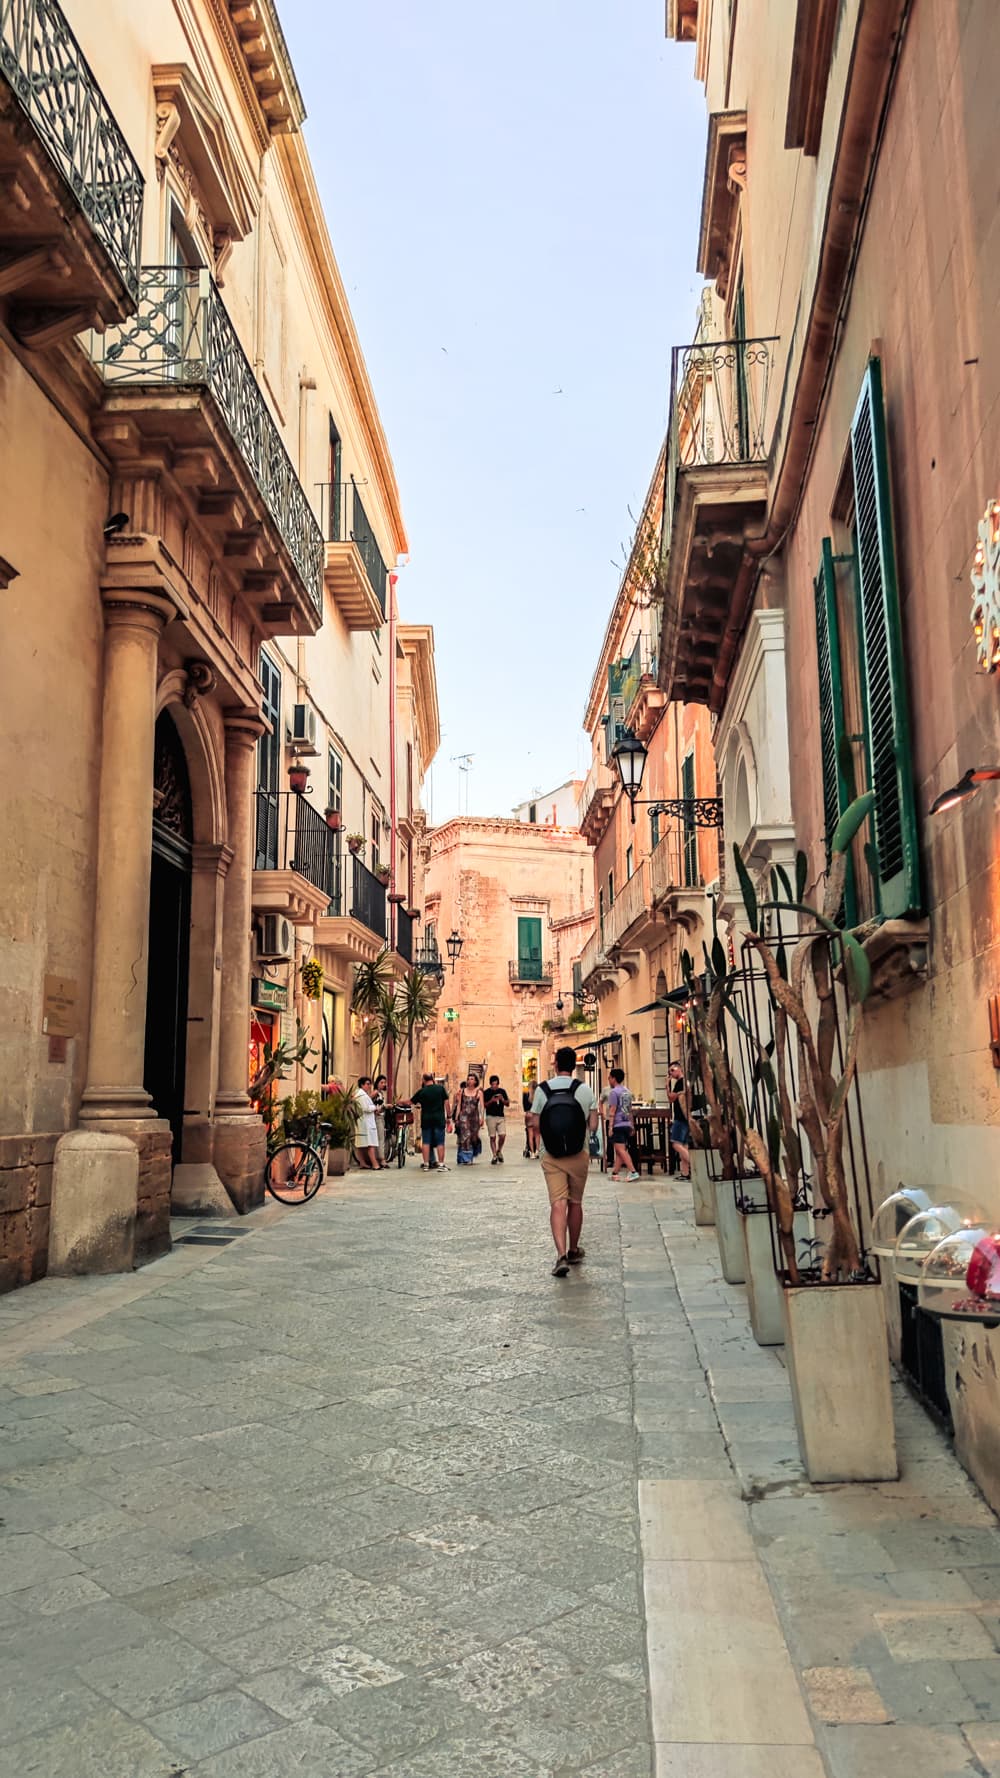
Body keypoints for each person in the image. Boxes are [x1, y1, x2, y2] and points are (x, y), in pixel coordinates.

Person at [529, 1045, 599, 1278]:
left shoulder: (542, 1090)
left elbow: (535, 1124)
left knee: (558, 1203)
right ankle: (573, 1250)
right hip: (579, 1154)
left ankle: (560, 1255)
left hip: (551, 1155)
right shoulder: (585, 1090)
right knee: (575, 1203)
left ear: (556, 1065)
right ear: (573, 1065)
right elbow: (593, 1125)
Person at [410, 1072, 451, 1171]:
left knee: (426, 1142)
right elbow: (446, 1103)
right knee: (440, 1143)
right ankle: (441, 1164)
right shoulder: (440, 1089)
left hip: (426, 1119)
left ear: (423, 1080)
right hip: (439, 1119)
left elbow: (410, 1102)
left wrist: (399, 1102)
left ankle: (426, 1164)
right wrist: (449, 1117)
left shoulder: (422, 1091)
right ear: (432, 1079)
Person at [605, 1067, 639, 1182]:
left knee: (620, 1150)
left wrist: (610, 1127)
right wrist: (632, 1125)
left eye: (609, 1078)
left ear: (614, 1079)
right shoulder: (627, 1092)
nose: (609, 1080)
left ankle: (633, 1171)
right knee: (621, 1149)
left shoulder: (614, 1092)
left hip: (618, 1124)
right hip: (627, 1123)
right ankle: (615, 1172)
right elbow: (630, 1110)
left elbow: (612, 1111)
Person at [667, 1060, 691, 1180]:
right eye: (669, 1071)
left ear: (679, 1069)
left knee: (676, 1144)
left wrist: (667, 1085)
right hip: (686, 1117)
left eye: (672, 1070)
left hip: (681, 1117)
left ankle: (694, 1165)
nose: (671, 1073)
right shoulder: (685, 1081)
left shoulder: (680, 1082)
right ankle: (685, 1173)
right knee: (684, 1145)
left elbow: (671, 1098)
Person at [453, 1073, 485, 1165]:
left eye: (472, 1079)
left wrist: (482, 1118)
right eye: (468, 1079)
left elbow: (482, 1107)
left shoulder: (479, 1092)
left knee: (473, 1137)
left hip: (474, 1118)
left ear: (475, 1081)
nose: (470, 1080)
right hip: (464, 1117)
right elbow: (459, 1105)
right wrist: (456, 1117)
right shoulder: (462, 1092)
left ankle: (464, 1155)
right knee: (465, 1137)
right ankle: (467, 1157)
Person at [355, 1077, 384, 1170]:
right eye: (367, 1084)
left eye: (369, 1084)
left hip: (364, 1122)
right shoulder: (361, 1095)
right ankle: (375, 1164)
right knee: (370, 1144)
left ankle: (362, 1163)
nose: (369, 1086)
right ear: (362, 1085)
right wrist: (375, 1108)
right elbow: (366, 1108)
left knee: (361, 1144)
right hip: (366, 1122)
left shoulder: (361, 1094)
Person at [484, 1075, 510, 1164]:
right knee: (492, 1137)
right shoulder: (486, 1092)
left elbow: (507, 1104)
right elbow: (484, 1105)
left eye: (496, 1084)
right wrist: (492, 1100)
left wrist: (502, 1099)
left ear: (498, 1084)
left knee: (502, 1135)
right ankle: (494, 1155)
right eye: (493, 1085)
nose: (494, 1086)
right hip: (490, 1116)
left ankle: (499, 1150)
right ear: (490, 1084)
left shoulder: (502, 1091)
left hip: (500, 1116)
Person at [372, 1073, 389, 1161]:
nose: (383, 1084)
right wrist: (382, 1108)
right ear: (377, 1083)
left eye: (384, 1083)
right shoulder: (375, 1092)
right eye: (381, 1082)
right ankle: (382, 1159)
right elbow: (369, 1102)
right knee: (380, 1138)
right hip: (377, 1117)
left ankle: (380, 1158)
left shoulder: (381, 1093)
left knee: (381, 1137)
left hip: (381, 1117)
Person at [522, 1083, 540, 1157]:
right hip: (536, 1114)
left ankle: (532, 1152)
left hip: (528, 1114)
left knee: (530, 1134)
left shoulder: (525, 1095)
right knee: (537, 1134)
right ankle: (537, 1151)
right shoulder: (538, 1095)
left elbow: (524, 1107)